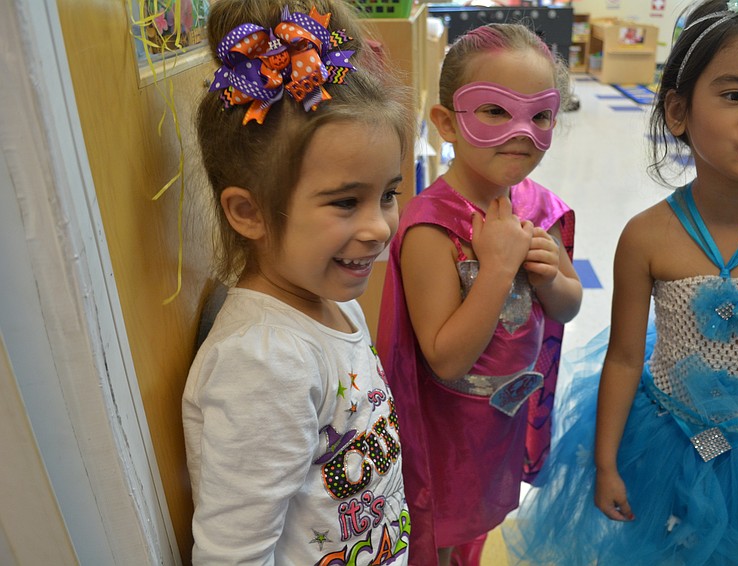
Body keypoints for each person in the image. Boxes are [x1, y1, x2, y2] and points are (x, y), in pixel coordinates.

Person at [506, 0, 738, 564]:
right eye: (736, 95)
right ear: (678, 111)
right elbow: (622, 359)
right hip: (663, 441)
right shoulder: (646, 236)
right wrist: (608, 462)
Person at [182, 0, 414, 563]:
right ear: (249, 212)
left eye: (387, 194)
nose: (379, 227)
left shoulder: (332, 303)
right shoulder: (265, 364)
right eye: (345, 202)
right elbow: (232, 555)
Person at [376, 22, 583, 566]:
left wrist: (548, 278)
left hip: (506, 413)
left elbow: (570, 304)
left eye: (539, 115)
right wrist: (495, 270)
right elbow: (445, 357)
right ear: (447, 122)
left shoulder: (540, 208)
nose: (521, 131)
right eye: (494, 110)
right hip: (451, 426)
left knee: (483, 516)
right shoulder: (431, 229)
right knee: (443, 522)